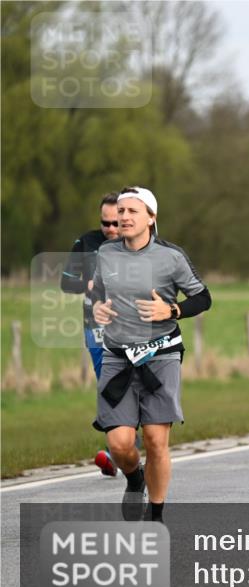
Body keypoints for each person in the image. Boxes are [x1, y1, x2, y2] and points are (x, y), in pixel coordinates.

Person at [91, 186, 212, 521]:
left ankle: (155, 515)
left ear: (151, 218)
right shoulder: (106, 253)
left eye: (133, 211)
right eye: (121, 211)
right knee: (119, 444)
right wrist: (98, 308)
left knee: (156, 440)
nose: (124, 217)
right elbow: (100, 293)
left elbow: (203, 298)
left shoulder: (170, 257)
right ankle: (134, 477)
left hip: (161, 355)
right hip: (117, 357)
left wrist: (171, 311)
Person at [61, 192, 124, 477]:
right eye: (105, 223)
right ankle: (118, 449)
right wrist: (86, 284)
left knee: (132, 384)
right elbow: (66, 283)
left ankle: (120, 449)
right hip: (95, 327)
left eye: (116, 223)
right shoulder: (85, 242)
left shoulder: (136, 242)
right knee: (108, 386)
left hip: (131, 325)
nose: (110, 229)